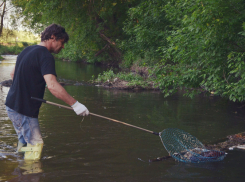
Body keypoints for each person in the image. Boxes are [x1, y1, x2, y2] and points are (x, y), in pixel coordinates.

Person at [5, 24, 89, 160]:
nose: (63, 47)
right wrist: (75, 105)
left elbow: (13, 74)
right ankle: (30, 174)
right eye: (62, 42)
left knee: (24, 140)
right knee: (36, 144)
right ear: (53, 37)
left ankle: (19, 166)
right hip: (24, 110)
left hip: (11, 106)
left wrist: (31, 86)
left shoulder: (27, 50)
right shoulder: (45, 56)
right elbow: (53, 86)